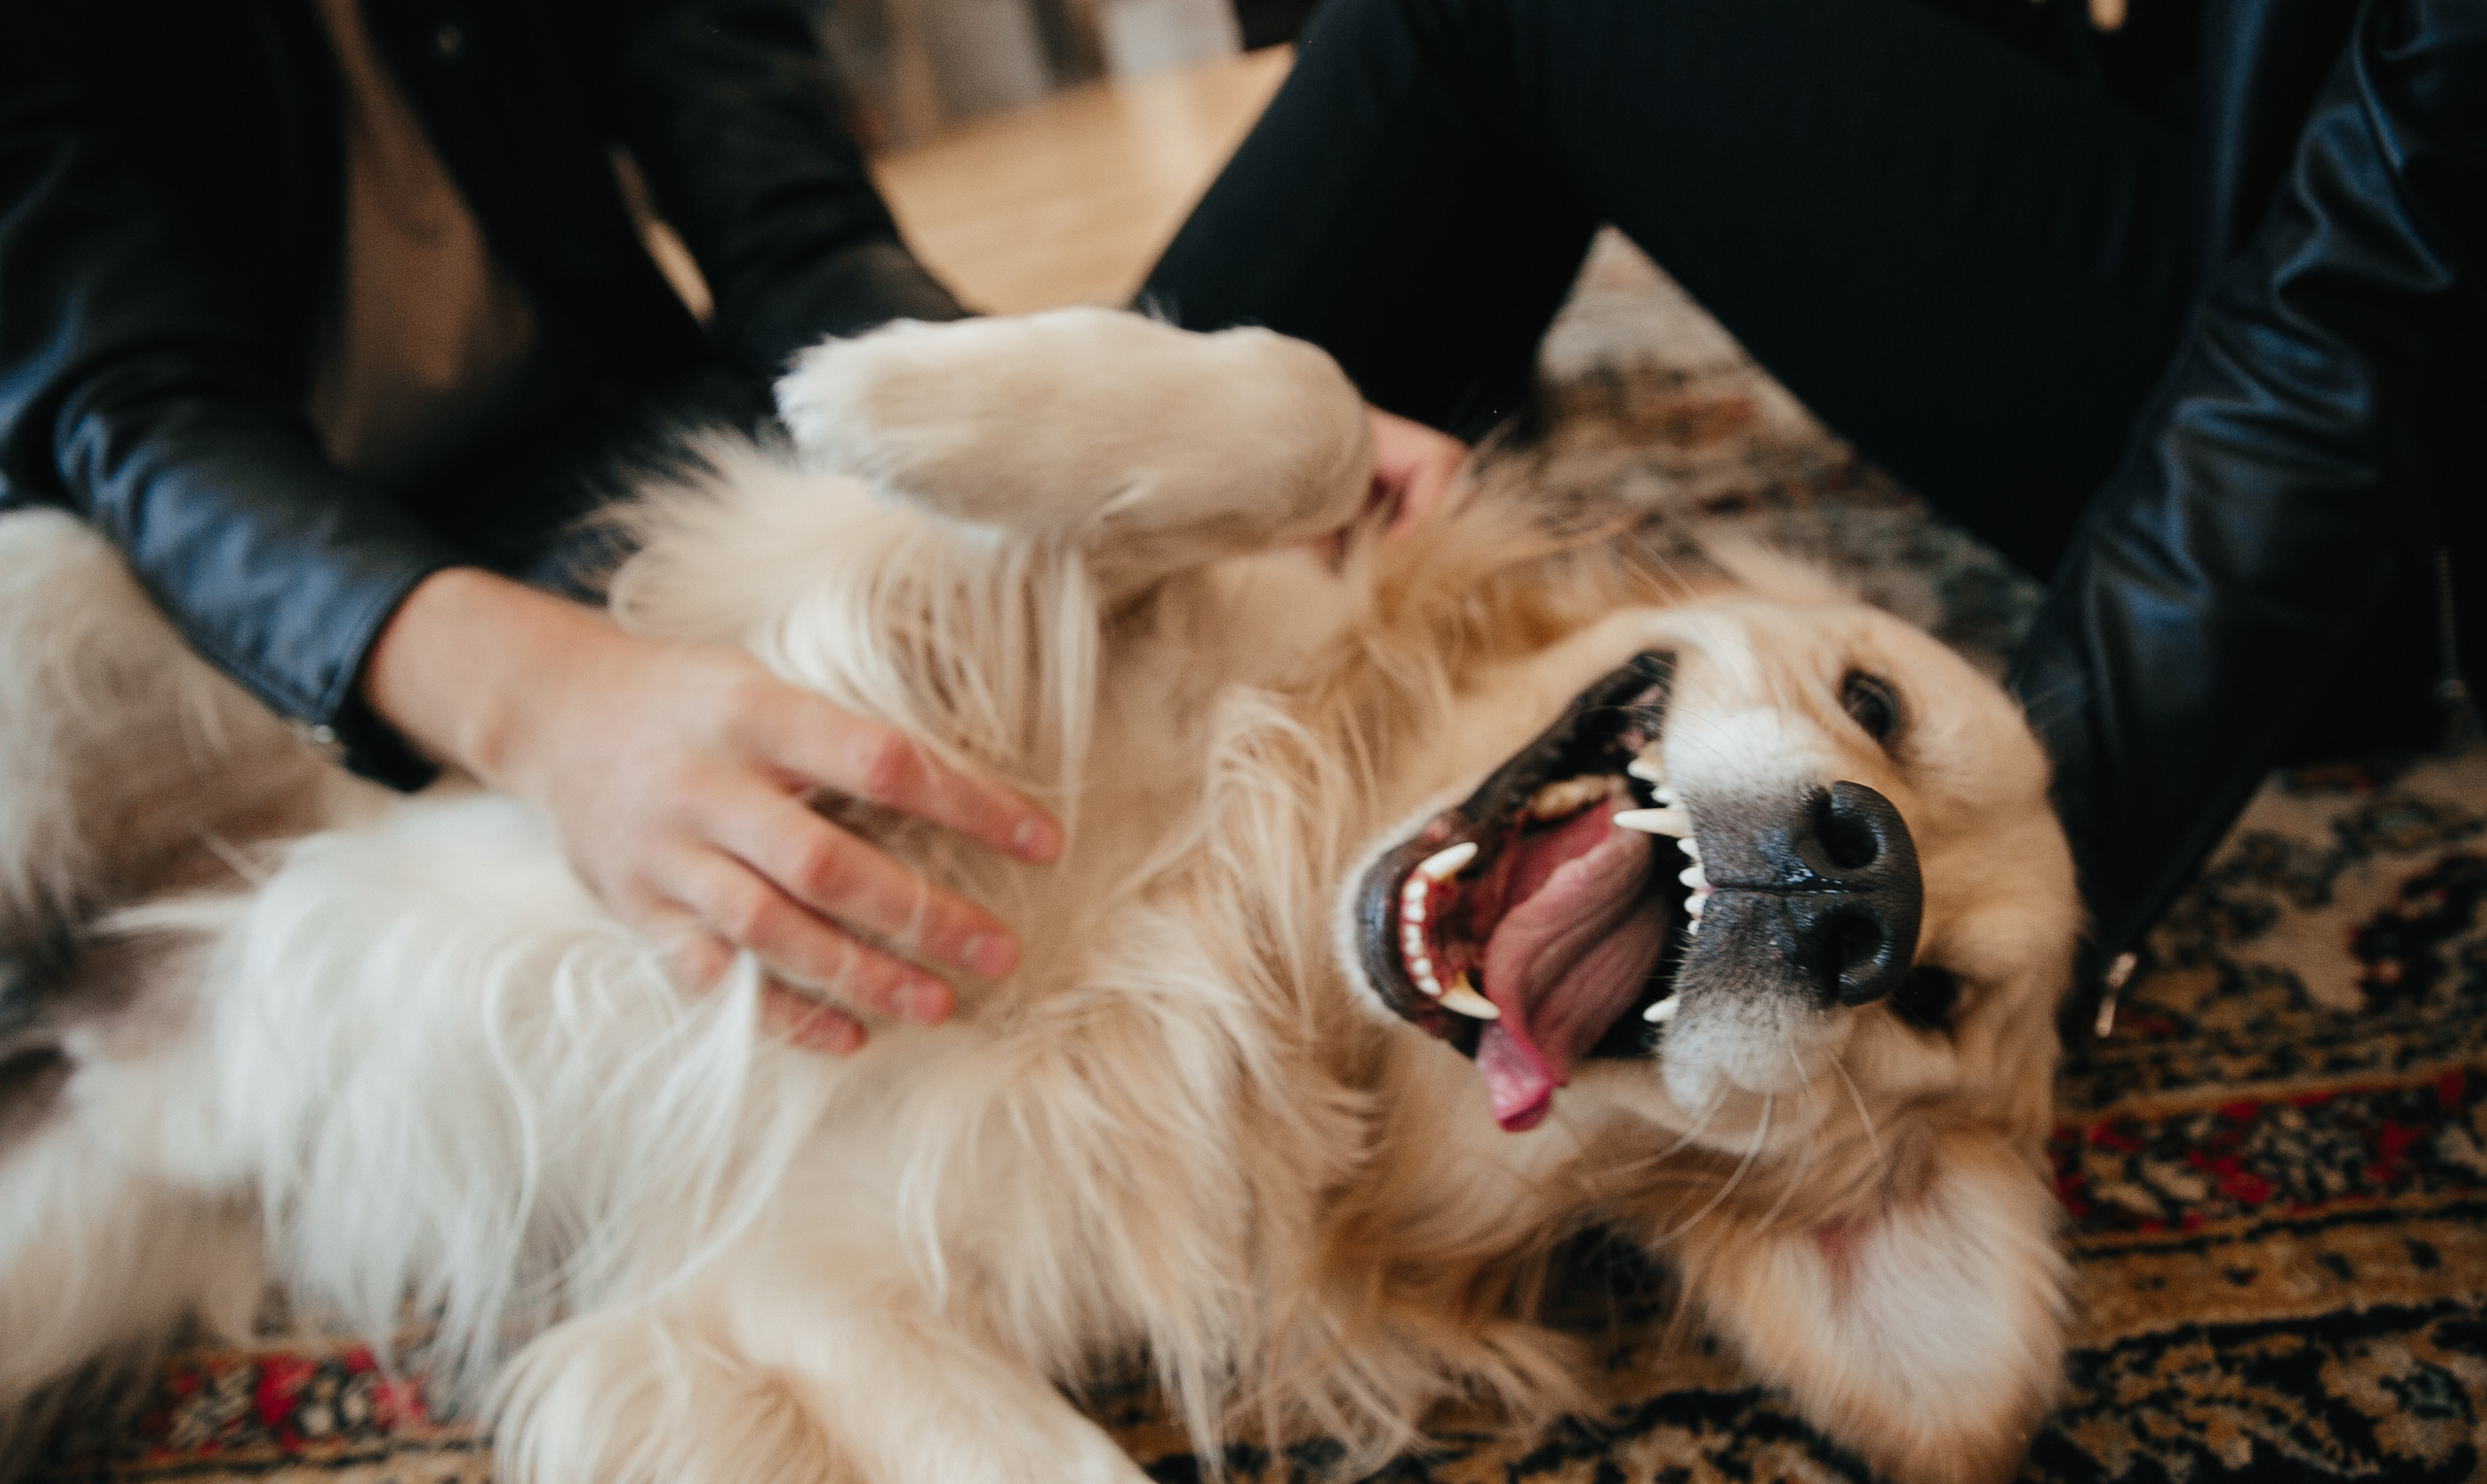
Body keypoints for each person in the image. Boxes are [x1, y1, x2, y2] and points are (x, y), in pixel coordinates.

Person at [1141, 0, 2487, 1011]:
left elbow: (2355, 317)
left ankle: (1050, 573)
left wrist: (2009, 912)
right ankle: (1087, 513)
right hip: (2245, 131)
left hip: (2376, 490)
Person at [0, 0, 1073, 1053]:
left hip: (621, 451)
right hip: (292, 600)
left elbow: (796, 232)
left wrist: (995, 432)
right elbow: (141, 422)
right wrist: (539, 703)